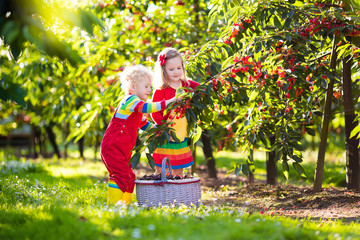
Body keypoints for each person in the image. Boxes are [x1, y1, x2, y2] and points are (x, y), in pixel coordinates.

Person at [100, 65, 178, 205]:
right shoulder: (130, 101)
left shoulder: (136, 109)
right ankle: (112, 206)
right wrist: (168, 102)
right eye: (146, 86)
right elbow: (148, 107)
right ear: (133, 87)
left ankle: (125, 204)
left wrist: (162, 131)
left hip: (123, 149)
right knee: (120, 175)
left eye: (150, 87)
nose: (149, 90)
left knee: (130, 176)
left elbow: (145, 125)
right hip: (112, 147)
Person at [151, 48, 200, 176]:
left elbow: (201, 88)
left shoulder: (186, 84)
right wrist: (164, 128)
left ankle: (177, 191)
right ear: (163, 70)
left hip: (181, 132)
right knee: (163, 167)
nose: (176, 72)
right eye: (171, 69)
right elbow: (155, 112)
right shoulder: (161, 90)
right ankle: (162, 190)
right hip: (166, 133)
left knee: (179, 165)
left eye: (179, 68)